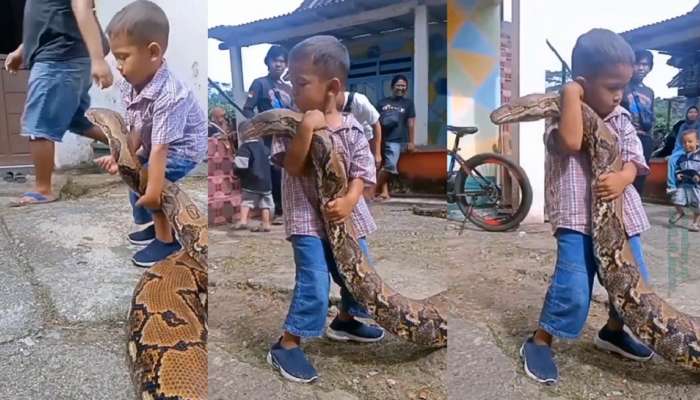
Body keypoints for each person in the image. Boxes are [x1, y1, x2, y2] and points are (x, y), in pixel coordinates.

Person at [520, 29, 653, 385]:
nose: (619, 95)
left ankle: (612, 331)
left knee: (631, 283)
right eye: (612, 87)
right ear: (582, 83)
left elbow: (635, 161)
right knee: (574, 288)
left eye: (623, 86)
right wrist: (569, 95)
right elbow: (570, 141)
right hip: (577, 219)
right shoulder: (559, 114)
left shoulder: (622, 118)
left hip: (622, 220)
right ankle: (541, 340)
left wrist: (624, 178)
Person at [266, 35, 383, 383]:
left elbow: (362, 173)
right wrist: (304, 130)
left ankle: (346, 320)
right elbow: (292, 166)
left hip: (347, 217)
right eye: (290, 81)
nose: (292, 90)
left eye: (300, 83)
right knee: (315, 280)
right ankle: (287, 344)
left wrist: (349, 200)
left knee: (358, 273)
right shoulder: (289, 123)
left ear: (332, 87)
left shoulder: (352, 127)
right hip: (306, 220)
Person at [95, 0, 207, 267]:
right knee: (134, 172)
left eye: (123, 57)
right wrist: (121, 156)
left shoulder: (170, 94)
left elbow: (160, 149)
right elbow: (135, 129)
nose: (118, 66)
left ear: (153, 52)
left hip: (184, 149)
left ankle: (167, 241)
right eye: (115, 58)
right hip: (157, 142)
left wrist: (154, 191)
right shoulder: (130, 85)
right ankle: (157, 224)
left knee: (149, 182)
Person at [5, 0, 113, 206]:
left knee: (39, 123)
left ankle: (43, 189)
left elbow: (82, 9)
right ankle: (131, 145)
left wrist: (98, 60)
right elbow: (43, 24)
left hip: (59, 60)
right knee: (76, 120)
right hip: (64, 59)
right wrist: (21, 51)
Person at [243, 45, 294, 224]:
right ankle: (275, 211)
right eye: (275, 60)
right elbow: (247, 109)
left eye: (282, 61)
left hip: (287, 135)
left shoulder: (289, 88)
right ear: (268, 62)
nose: (278, 64)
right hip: (267, 137)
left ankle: (287, 208)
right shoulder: (259, 83)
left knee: (288, 171)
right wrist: (257, 127)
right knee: (272, 171)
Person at [375, 75, 416, 201]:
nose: (401, 88)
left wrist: (411, 142)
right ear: (392, 87)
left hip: (395, 140)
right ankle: (384, 192)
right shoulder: (382, 103)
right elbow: (375, 122)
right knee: (381, 165)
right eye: (398, 85)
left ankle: (370, 190)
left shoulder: (408, 103)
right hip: (380, 139)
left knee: (390, 166)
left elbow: (411, 123)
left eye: (403, 86)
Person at [621, 49, 655, 196]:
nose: (641, 68)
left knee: (640, 177)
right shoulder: (621, 86)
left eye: (645, 65)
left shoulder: (649, 92)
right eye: (638, 64)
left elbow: (651, 115)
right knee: (623, 173)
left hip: (644, 138)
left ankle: (636, 208)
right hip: (625, 137)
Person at [336, 90, 382, 198]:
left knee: (366, 171)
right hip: (346, 140)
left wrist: (377, 152)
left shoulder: (359, 101)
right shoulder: (328, 104)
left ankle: (366, 199)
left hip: (366, 138)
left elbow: (376, 125)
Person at [232, 132, 274, 233]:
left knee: (247, 201)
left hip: (251, 181)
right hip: (266, 182)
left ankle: (243, 221)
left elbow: (241, 166)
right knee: (265, 203)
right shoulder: (264, 147)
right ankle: (266, 223)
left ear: (243, 135)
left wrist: (237, 174)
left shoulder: (245, 147)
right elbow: (271, 163)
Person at [668, 129, 700, 231]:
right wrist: (678, 174)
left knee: (696, 205)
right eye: (684, 142)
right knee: (676, 199)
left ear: (697, 142)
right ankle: (680, 212)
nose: (687, 144)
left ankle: (695, 223)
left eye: (690, 141)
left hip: (696, 186)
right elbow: (678, 168)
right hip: (684, 184)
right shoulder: (682, 157)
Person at [666, 105, 699, 193]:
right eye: (690, 112)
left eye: (695, 112)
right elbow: (678, 141)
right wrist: (674, 153)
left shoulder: (699, 125)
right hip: (682, 148)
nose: (692, 114)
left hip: (696, 148)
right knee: (672, 160)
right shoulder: (683, 126)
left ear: (698, 114)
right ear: (687, 114)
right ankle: (671, 186)